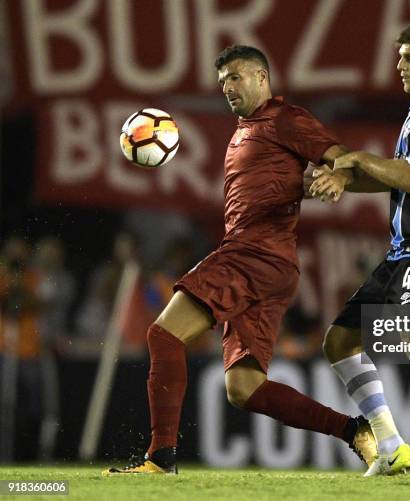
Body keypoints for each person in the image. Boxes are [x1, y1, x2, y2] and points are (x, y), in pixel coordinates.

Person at [105, 45, 376, 474]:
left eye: (236, 77)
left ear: (262, 76)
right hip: (271, 265)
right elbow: (277, 184)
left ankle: (160, 457)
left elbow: (339, 153)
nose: (228, 88)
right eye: (223, 82)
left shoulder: (285, 119)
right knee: (245, 388)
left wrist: (339, 174)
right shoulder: (245, 129)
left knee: (163, 335)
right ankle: (353, 430)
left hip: (253, 254)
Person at [310, 21, 410, 477]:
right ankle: (392, 447)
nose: (399, 65)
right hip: (402, 249)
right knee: (340, 341)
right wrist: (335, 180)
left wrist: (357, 159)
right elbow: (391, 174)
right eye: (400, 56)